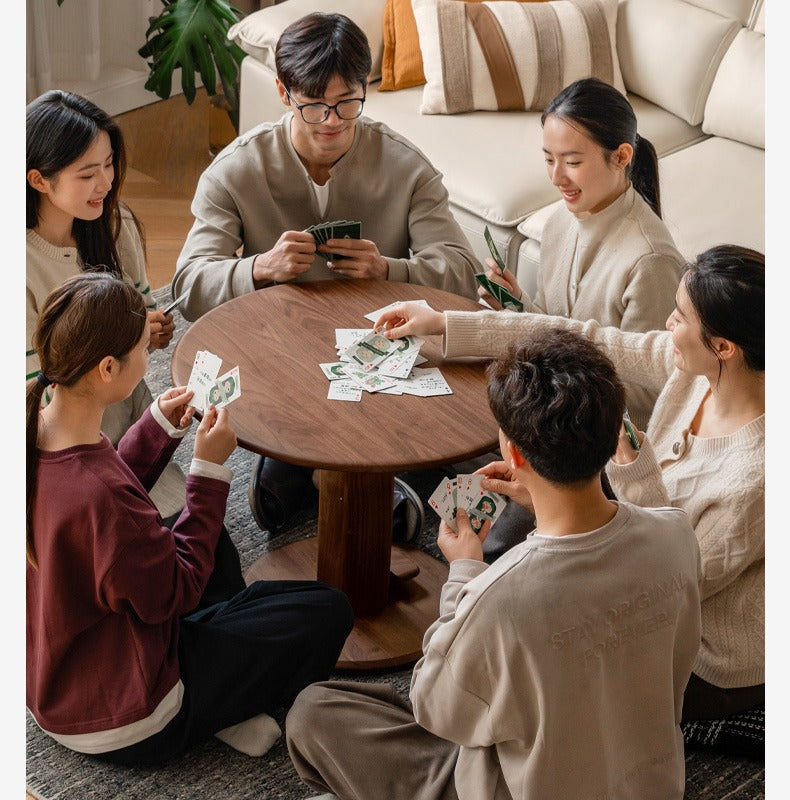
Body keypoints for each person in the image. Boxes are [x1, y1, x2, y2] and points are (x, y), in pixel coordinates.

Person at [285, 328, 702, 799]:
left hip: (517, 784)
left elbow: (436, 710)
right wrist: (542, 499)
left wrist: (464, 572)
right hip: (648, 781)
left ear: (513, 452)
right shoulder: (675, 534)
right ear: (612, 438)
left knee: (314, 712)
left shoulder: (497, 595)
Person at [374, 243, 765, 723]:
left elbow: (671, 580)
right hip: (639, 537)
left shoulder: (757, 477)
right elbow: (585, 340)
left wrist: (625, 477)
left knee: (536, 632)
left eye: (679, 318)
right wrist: (446, 323)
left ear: (723, 346)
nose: (667, 325)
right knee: (537, 488)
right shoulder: (701, 368)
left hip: (693, 650)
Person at [26, 273, 354, 766]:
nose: (152, 353)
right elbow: (174, 592)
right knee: (328, 609)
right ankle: (212, 710)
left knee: (213, 542)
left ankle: (222, 679)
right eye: (143, 347)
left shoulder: (34, 430)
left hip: (58, 682)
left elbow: (100, 492)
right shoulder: (101, 497)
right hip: (132, 716)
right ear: (108, 368)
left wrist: (155, 428)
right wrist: (209, 471)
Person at [172, 13, 477, 537]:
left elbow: (464, 278)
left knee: (431, 414)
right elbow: (187, 287)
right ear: (283, 92)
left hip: (382, 349)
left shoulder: (407, 168)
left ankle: (314, 471)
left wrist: (389, 269)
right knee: (280, 409)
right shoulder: (235, 170)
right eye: (314, 103)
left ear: (365, 88)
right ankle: (329, 471)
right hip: (280, 349)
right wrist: (257, 268)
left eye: (348, 101)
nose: (332, 120)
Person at [478, 77, 685, 431]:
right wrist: (519, 306)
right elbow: (558, 325)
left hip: (602, 443)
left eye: (572, 162)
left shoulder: (651, 262)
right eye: (549, 160)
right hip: (552, 412)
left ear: (621, 157)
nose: (556, 178)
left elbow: (649, 389)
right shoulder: (559, 221)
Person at [26, 89, 181, 520]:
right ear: (39, 179)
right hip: (58, 444)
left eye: (109, 164)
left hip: (127, 413)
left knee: (204, 555)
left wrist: (150, 331)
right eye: (87, 172)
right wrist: (125, 341)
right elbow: (34, 391)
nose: (106, 183)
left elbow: (142, 312)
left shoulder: (116, 225)